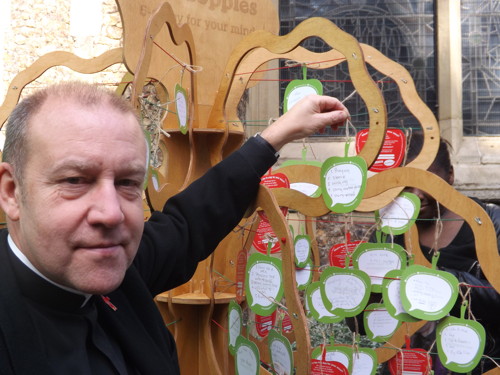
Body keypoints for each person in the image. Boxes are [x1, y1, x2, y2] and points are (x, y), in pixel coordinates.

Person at [0, 81, 349, 374]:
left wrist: (273, 138)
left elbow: (188, 224)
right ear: (12, 192)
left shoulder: (120, 271)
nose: (111, 214)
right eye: (75, 180)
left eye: (127, 183)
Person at [395, 132, 500, 374]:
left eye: (426, 182)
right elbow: (364, 320)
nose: (416, 194)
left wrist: (440, 282)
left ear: (450, 175)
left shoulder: (490, 223)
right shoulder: (392, 233)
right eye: (404, 183)